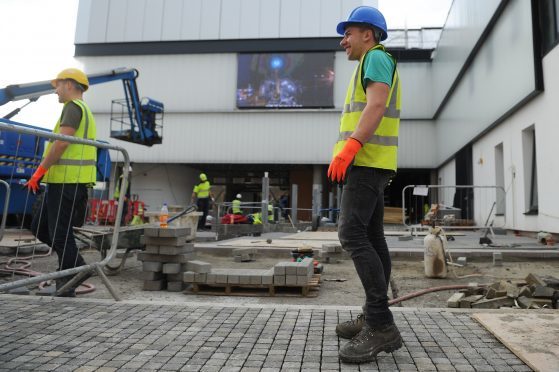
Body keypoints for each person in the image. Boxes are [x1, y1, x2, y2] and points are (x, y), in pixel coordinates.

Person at [327, 6, 402, 363]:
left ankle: (381, 324)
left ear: (367, 34)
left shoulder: (374, 58)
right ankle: (374, 317)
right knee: (372, 238)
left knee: (351, 235)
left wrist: (351, 147)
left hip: (366, 163)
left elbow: (376, 106)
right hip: (372, 163)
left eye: (348, 33)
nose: (343, 41)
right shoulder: (372, 61)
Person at [27, 68, 97, 297]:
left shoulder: (73, 108)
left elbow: (61, 144)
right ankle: (76, 266)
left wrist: (39, 171)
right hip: (62, 181)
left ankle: (69, 278)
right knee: (40, 225)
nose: (55, 90)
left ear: (69, 84)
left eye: (58, 85)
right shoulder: (78, 109)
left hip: (69, 181)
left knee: (59, 233)